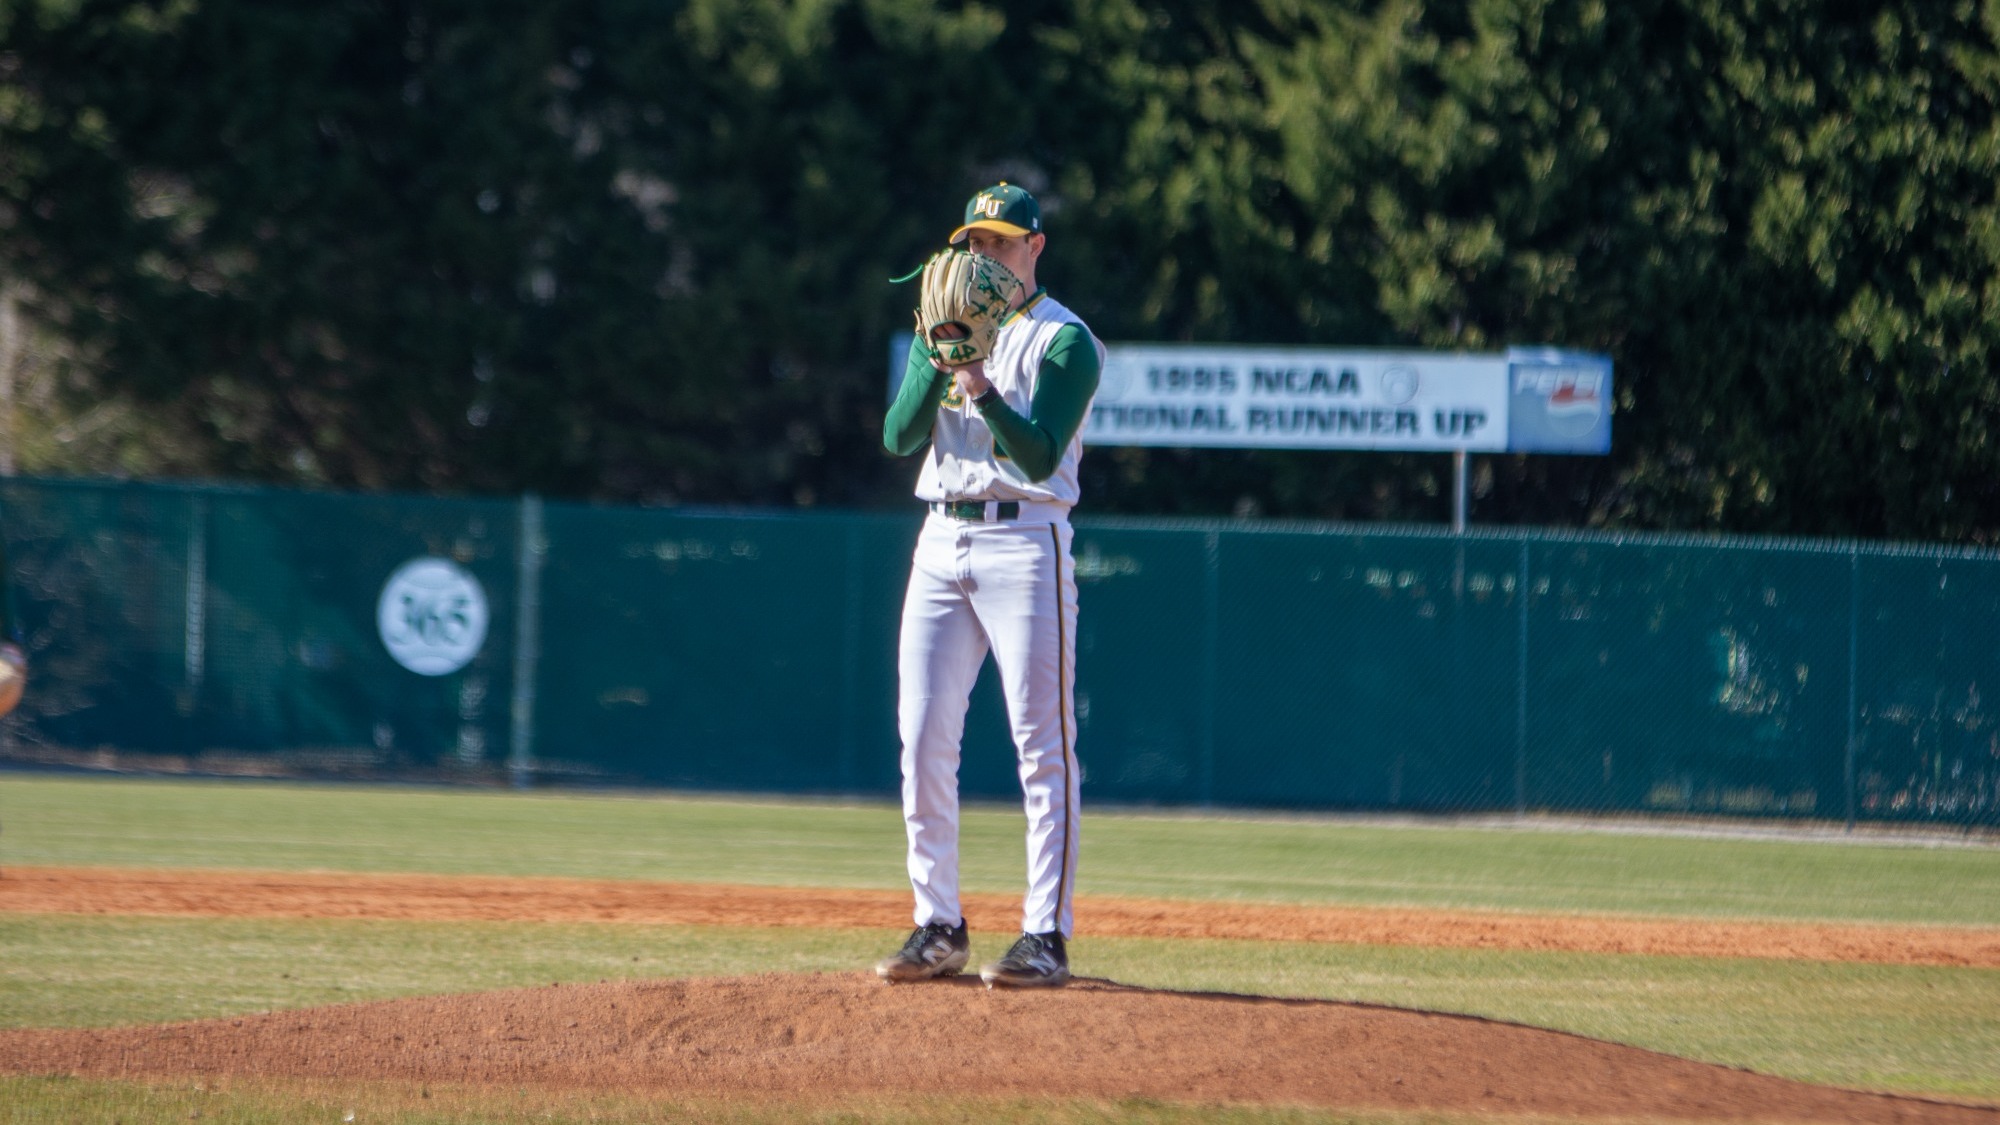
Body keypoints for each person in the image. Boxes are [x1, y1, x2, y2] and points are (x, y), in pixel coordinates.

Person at [875, 183, 1104, 989]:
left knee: (1043, 746)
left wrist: (977, 380)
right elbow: (898, 435)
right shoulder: (939, 324)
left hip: (1026, 538)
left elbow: (1040, 456)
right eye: (975, 242)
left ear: (1034, 248)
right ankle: (937, 922)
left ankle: (1046, 934)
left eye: (1001, 243)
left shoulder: (1065, 339)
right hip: (939, 537)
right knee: (924, 736)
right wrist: (934, 359)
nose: (984, 257)